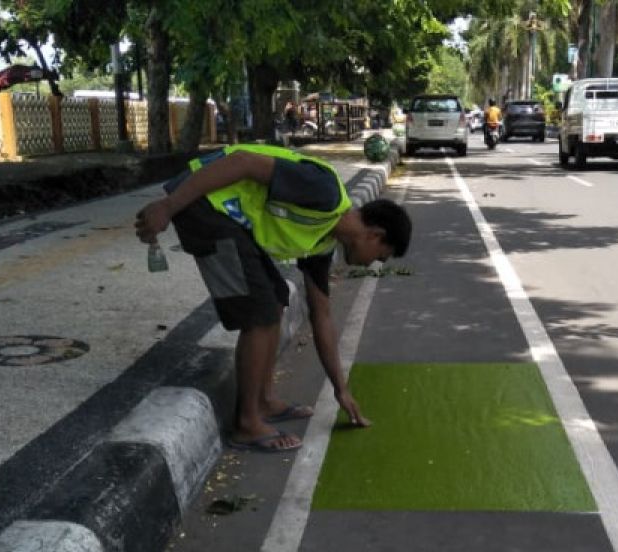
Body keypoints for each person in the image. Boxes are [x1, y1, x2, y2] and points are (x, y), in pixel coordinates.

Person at [134, 144, 412, 452]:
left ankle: (263, 402)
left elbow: (322, 315)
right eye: (380, 256)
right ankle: (247, 423)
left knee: (277, 297)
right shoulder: (324, 192)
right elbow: (242, 162)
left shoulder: (322, 242)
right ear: (375, 235)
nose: (371, 263)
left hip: (229, 219)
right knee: (261, 313)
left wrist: (340, 389)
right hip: (203, 204)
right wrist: (169, 206)